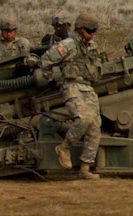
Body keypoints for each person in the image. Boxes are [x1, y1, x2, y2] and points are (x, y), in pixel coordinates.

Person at [40, 13, 103, 180]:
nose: (92, 34)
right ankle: (64, 147)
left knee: (95, 127)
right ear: (80, 29)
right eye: (90, 30)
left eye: (94, 31)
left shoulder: (91, 45)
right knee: (84, 118)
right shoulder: (68, 44)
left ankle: (85, 168)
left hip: (88, 87)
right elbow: (46, 60)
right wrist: (49, 79)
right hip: (72, 85)